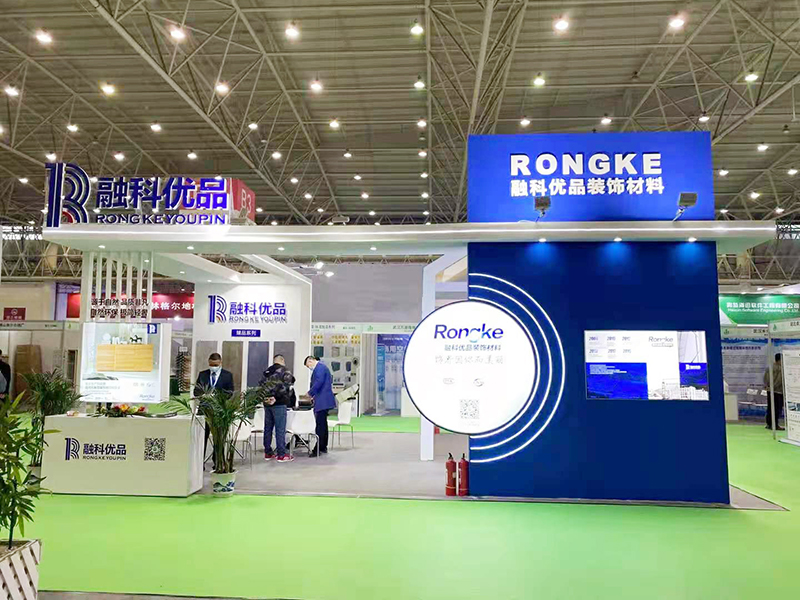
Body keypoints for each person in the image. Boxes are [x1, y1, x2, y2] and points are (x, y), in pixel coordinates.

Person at [194, 353, 235, 467]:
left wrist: (218, 396)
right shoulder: (203, 375)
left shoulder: (227, 375)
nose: (213, 367)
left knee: (219, 438)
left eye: (216, 365)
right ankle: (199, 463)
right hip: (204, 411)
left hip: (219, 411)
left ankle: (217, 462)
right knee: (202, 438)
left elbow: (230, 392)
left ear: (220, 363)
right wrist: (204, 395)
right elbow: (196, 391)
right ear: (208, 362)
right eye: (211, 364)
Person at [260, 354, 295, 463]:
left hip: (267, 403)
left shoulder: (267, 371)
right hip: (279, 403)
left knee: (268, 428)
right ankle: (281, 454)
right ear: (282, 360)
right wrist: (276, 397)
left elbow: (261, 386)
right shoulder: (285, 371)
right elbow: (286, 387)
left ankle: (268, 452)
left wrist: (266, 398)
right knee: (280, 429)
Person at [304, 356, 336, 455]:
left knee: (320, 426)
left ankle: (318, 448)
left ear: (311, 361)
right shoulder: (322, 368)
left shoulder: (320, 368)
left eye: (308, 366)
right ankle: (323, 446)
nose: (309, 368)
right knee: (323, 425)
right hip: (323, 400)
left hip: (323, 401)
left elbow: (319, 382)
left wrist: (310, 393)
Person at [764, 353, 785, 431]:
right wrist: (774, 387)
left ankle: (769, 424)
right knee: (777, 409)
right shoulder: (780, 369)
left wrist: (768, 387)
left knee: (770, 408)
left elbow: (765, 379)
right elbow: (779, 380)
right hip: (777, 391)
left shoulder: (769, 367)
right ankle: (775, 425)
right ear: (780, 360)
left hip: (770, 391)